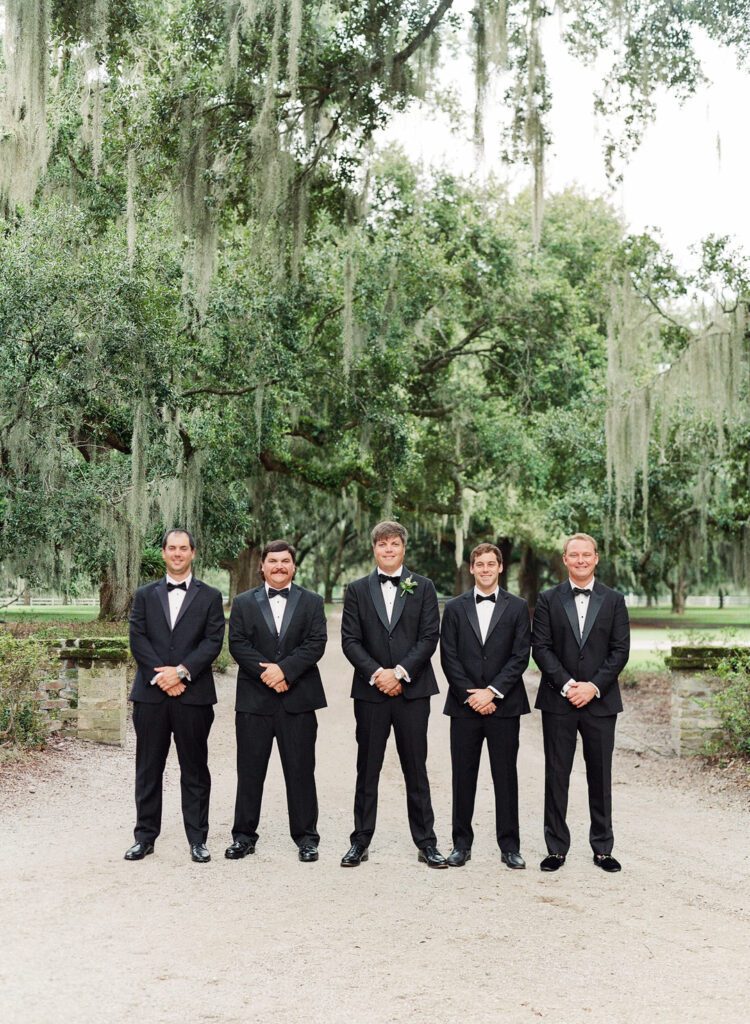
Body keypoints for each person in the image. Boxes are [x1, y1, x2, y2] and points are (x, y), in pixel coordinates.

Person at [340, 521, 447, 868]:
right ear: (374, 548)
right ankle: (360, 841)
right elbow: (350, 641)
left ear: (404, 548)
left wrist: (400, 673)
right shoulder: (356, 589)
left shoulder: (424, 587)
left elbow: (429, 637)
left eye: (394, 544)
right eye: (382, 544)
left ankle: (426, 842)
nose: (388, 549)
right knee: (366, 767)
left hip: (412, 692)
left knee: (415, 767)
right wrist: (377, 674)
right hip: (371, 693)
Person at [532, 532, 630, 873]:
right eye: (574, 555)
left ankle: (603, 848)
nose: (581, 560)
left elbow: (620, 651)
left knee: (600, 776)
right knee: (556, 775)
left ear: (596, 558)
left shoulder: (614, 600)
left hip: (601, 703)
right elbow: (541, 648)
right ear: (565, 559)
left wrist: (593, 687)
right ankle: (556, 848)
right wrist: (569, 685)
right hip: (559, 701)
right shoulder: (547, 599)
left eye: (586, 555)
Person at [126, 528, 225, 863]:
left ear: (193, 553)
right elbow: (138, 638)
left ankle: (198, 839)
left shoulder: (211, 596)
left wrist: (181, 672)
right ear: (164, 553)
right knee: (148, 767)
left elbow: (212, 642)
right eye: (172, 548)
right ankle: (144, 837)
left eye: (184, 548)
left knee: (195, 768)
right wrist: (163, 676)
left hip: (193, 695)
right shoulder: (144, 595)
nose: (178, 553)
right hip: (151, 696)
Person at [226, 540, 327, 863]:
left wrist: (285, 671)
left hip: (298, 698)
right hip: (254, 700)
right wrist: (266, 674)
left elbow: (316, 643)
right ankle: (243, 837)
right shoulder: (243, 603)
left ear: (294, 566)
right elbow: (238, 644)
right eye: (273, 561)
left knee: (300, 771)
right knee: (250, 771)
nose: (279, 566)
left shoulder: (312, 602)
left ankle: (306, 838)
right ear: (262, 566)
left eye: (285, 561)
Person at [440, 542, 531, 868]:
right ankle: (460, 845)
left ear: (501, 567)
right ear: (472, 568)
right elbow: (448, 656)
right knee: (463, 777)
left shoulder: (518, 607)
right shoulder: (453, 608)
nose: (486, 569)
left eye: (491, 564)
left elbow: (521, 655)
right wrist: (471, 695)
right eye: (480, 564)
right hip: (464, 707)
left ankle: (510, 846)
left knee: (505, 776)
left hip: (504, 706)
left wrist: (492, 692)